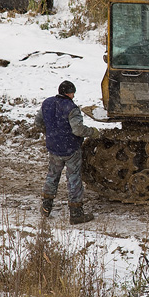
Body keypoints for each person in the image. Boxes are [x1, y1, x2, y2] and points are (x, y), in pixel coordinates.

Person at [34, 80, 100, 224]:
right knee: (74, 179)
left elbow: (38, 123)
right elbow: (77, 130)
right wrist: (92, 132)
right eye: (72, 93)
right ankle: (76, 213)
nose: (73, 95)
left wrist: (51, 134)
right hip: (71, 149)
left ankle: (46, 207)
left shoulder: (47, 103)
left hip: (54, 147)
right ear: (68, 93)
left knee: (52, 176)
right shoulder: (72, 108)